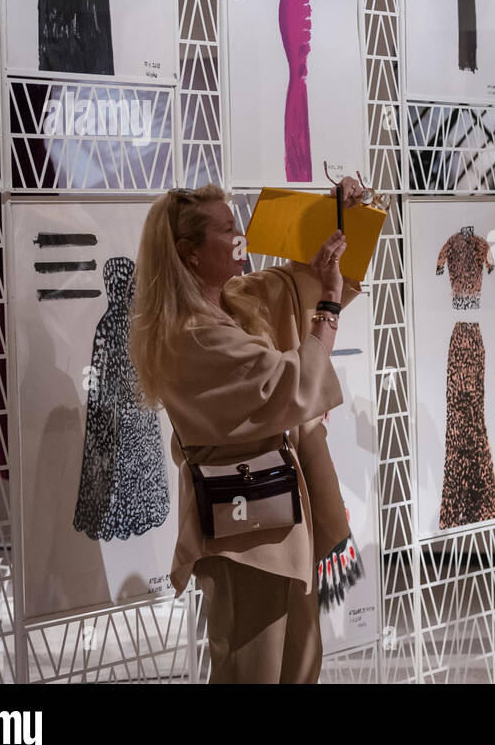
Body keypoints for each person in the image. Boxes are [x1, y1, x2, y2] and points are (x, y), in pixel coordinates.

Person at [129, 179, 364, 683]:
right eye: (228, 228)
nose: (241, 238)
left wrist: (342, 215)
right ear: (189, 254)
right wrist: (327, 309)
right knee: (251, 670)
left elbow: (296, 279)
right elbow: (292, 384)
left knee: (298, 665)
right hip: (245, 536)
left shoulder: (232, 303)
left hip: (277, 519)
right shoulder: (192, 334)